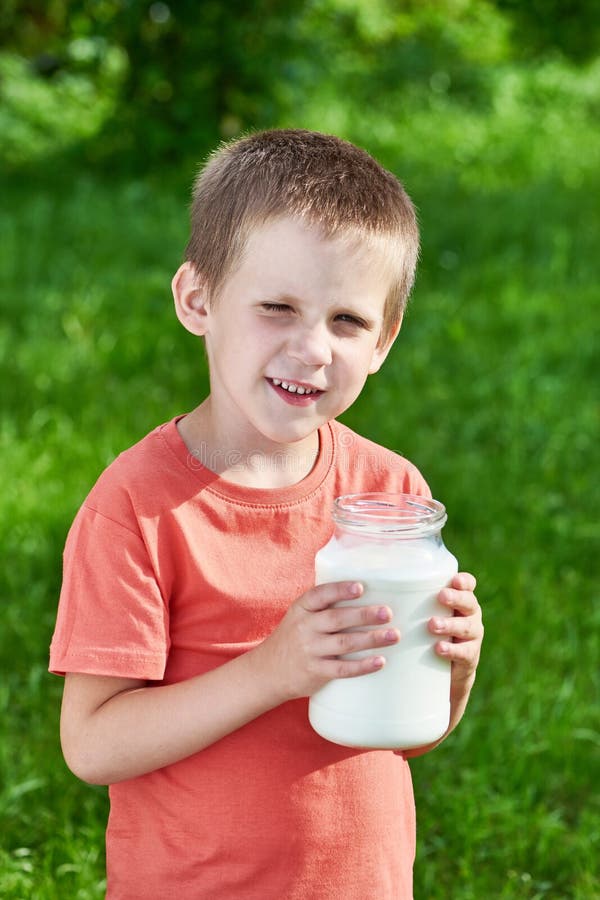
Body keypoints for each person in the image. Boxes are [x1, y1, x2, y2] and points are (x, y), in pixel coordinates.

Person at [49, 128, 483, 900]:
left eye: (347, 321)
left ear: (384, 341)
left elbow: (409, 734)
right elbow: (91, 744)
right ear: (198, 300)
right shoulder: (139, 507)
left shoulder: (390, 495)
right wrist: (271, 672)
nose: (312, 347)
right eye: (278, 307)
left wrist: (452, 673)